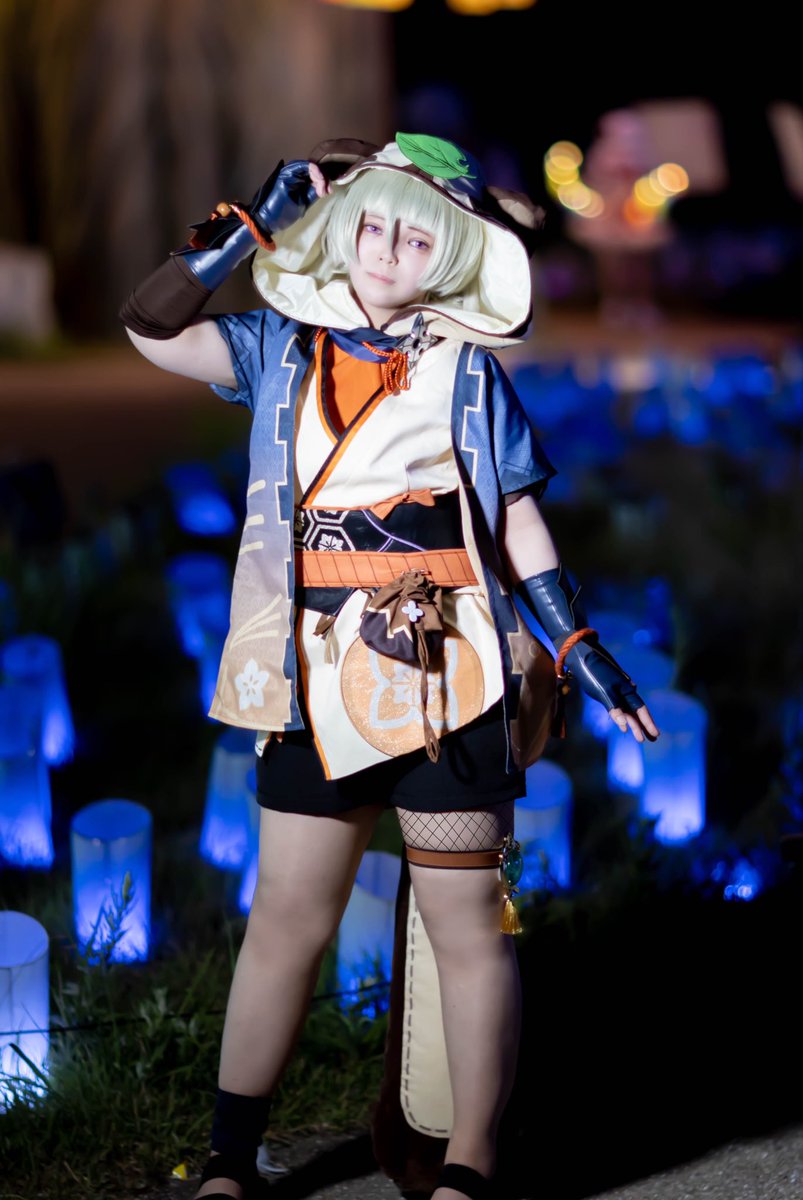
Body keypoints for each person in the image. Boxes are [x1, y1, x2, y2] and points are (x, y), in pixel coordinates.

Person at [120, 133, 659, 1200]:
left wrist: (575, 645)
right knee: (285, 920)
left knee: (468, 928)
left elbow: (514, 517)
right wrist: (247, 226)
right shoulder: (277, 346)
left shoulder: (467, 371)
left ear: (450, 256)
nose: (383, 249)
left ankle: (469, 1165)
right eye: (371, 223)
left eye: (415, 239)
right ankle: (229, 1161)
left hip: (451, 672)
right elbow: (150, 328)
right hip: (311, 677)